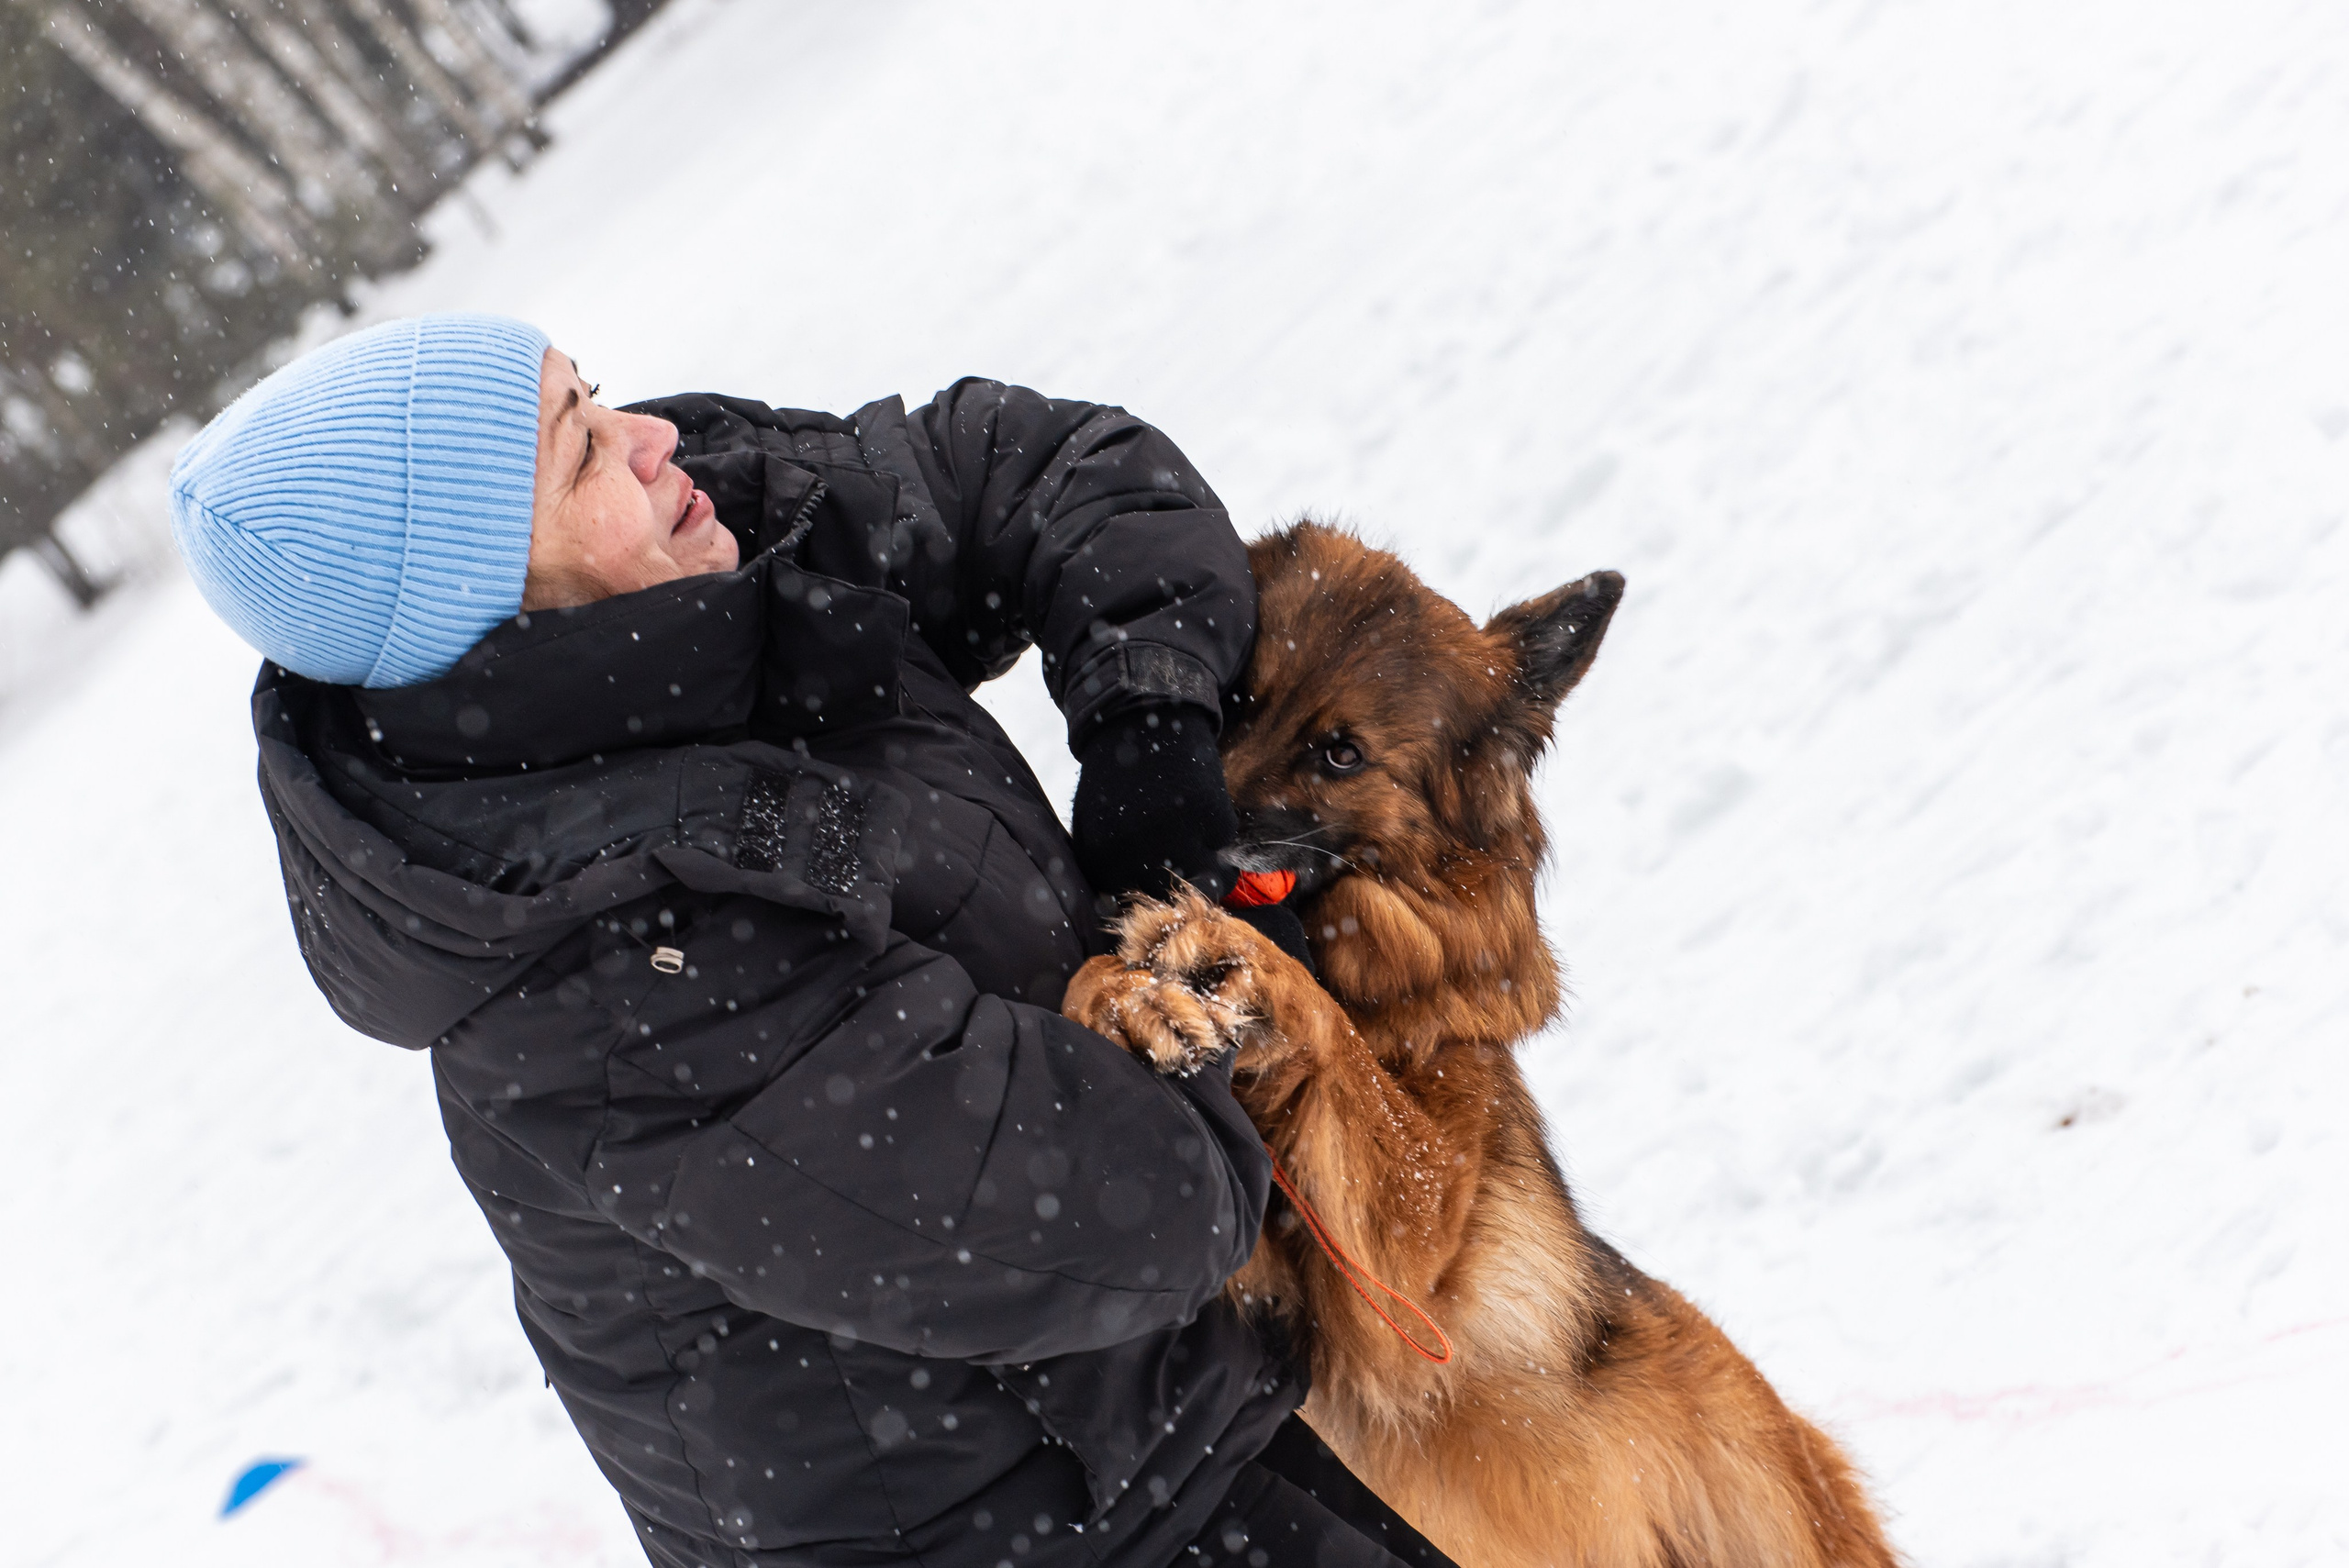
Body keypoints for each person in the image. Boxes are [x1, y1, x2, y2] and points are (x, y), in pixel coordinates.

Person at [170, 314, 1455, 1568]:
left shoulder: (710, 554)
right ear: (482, 608)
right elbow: (1142, 1203)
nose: (651, 437)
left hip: (1172, 1439)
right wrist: (1191, 985)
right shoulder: (607, 990)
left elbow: (1049, 471)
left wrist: (1150, 725)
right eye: (580, 453)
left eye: (593, 393)